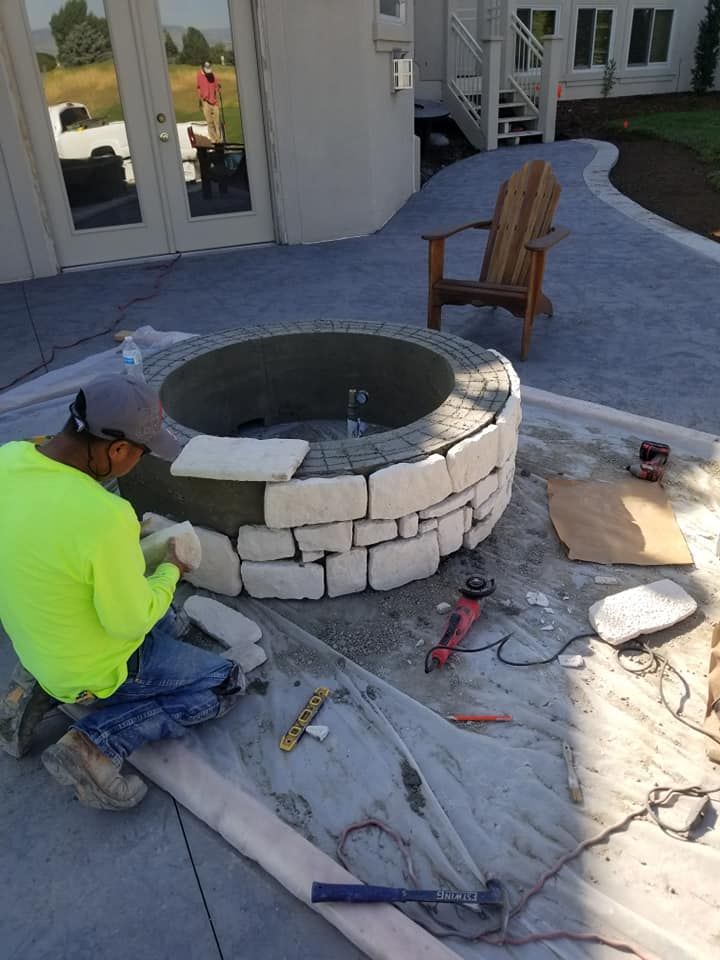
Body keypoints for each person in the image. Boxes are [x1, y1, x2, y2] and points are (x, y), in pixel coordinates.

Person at [0, 375, 244, 811]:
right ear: (116, 450)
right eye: (141, 453)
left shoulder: (9, 459)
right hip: (96, 667)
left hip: (37, 636)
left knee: (163, 615)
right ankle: (94, 744)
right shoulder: (104, 516)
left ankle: (30, 687)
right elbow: (130, 622)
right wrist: (172, 568)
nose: (139, 461)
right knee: (223, 683)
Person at [196, 60, 222, 143]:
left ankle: (219, 139)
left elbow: (216, 86)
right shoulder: (199, 75)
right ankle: (214, 140)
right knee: (210, 122)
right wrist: (201, 100)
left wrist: (218, 87)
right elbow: (198, 88)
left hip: (214, 101)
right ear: (202, 68)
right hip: (205, 101)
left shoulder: (212, 75)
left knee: (217, 122)